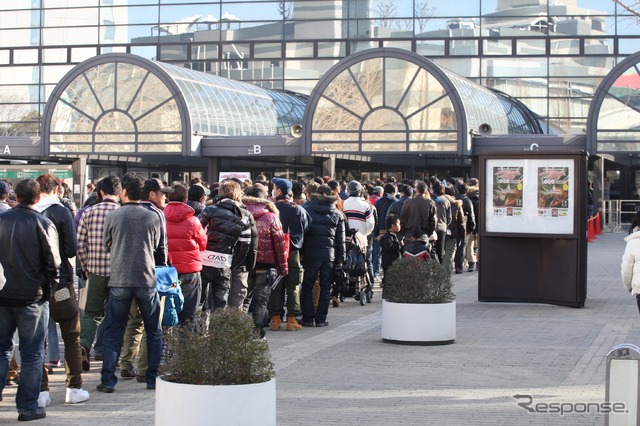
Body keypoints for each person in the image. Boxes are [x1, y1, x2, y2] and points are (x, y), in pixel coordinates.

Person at [0, 179, 60, 421]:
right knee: (32, 354)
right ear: (37, 198)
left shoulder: (2, 219)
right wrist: (48, 289)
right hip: (32, 297)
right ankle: (27, 408)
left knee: (2, 350)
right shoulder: (43, 223)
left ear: (15, 195)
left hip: (3, 295)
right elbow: (53, 264)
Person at [98, 173, 162, 393]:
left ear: (123, 191)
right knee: (153, 330)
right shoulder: (152, 216)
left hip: (120, 279)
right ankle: (152, 378)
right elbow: (155, 246)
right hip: (146, 279)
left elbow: (107, 242)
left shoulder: (114, 216)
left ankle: (107, 380)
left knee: (114, 330)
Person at [34, 174, 90, 405]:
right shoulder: (61, 212)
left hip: (36, 285)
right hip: (61, 284)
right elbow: (70, 250)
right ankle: (73, 388)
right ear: (57, 189)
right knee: (70, 334)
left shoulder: (29, 211)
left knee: (37, 338)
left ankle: (41, 391)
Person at [76, 175, 121, 370]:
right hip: (119, 273)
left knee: (92, 313)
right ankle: (111, 356)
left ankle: (84, 345)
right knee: (117, 314)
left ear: (100, 192)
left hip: (94, 271)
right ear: (120, 193)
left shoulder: (89, 212)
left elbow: (79, 243)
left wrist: (85, 266)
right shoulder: (121, 212)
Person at [199, 179, 257, 311]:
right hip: (224, 263)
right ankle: (217, 331)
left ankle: (197, 330)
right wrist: (233, 264)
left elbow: (195, 231)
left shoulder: (209, 210)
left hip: (204, 261)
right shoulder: (245, 215)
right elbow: (245, 246)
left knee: (199, 302)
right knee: (220, 304)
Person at [243, 185, 289, 338]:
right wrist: (283, 268)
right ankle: (258, 332)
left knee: (243, 300)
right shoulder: (271, 217)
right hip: (265, 266)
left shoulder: (240, 213)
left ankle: (240, 332)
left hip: (243, 264)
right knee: (261, 301)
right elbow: (279, 245)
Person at [300, 185, 346, 327]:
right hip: (329, 256)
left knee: (307, 286)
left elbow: (302, 234)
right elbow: (341, 240)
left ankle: (308, 318)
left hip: (310, 254)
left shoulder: (306, 209)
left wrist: (301, 253)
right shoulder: (337, 213)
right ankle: (321, 319)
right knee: (326, 288)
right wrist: (340, 260)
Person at [269, 177, 310, 331]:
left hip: (275, 251)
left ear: (279, 191)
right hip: (293, 252)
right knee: (293, 286)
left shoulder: (271, 209)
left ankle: (275, 320)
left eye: (274, 187)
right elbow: (306, 227)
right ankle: (292, 320)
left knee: (275, 285)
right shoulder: (298, 209)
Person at [164, 182, 207, 325]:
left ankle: (167, 344)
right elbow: (203, 244)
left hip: (167, 272)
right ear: (186, 198)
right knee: (189, 313)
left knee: (168, 311)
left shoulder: (159, 217)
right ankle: (186, 344)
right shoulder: (193, 220)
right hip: (190, 270)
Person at [373, 183, 397, 279]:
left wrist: (375, 232)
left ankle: (375, 273)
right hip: (392, 231)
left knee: (377, 253)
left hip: (380, 230)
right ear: (393, 191)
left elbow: (375, 218)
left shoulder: (378, 202)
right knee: (391, 253)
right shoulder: (395, 201)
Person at [455, 182, 476, 274]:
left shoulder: (454, 199)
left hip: (453, 226)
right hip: (464, 226)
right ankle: (459, 266)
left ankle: (456, 264)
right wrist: (472, 227)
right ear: (466, 191)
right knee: (462, 245)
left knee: (454, 246)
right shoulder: (467, 200)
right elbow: (471, 215)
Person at [432, 180, 451, 264]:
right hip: (442, 227)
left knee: (431, 250)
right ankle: (442, 270)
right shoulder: (446, 200)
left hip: (431, 228)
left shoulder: (429, 199)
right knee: (441, 252)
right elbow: (449, 218)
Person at [379, 216, 402, 286]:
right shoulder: (387, 237)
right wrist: (399, 244)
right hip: (390, 263)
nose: (400, 226)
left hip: (393, 262)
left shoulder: (393, 236)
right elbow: (390, 248)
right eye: (398, 224)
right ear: (393, 226)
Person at [466, 178, 480, 272]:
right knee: (480, 244)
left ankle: (471, 263)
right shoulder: (481, 195)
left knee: (470, 243)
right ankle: (479, 262)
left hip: (469, 223)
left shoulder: (467, 196)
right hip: (480, 223)